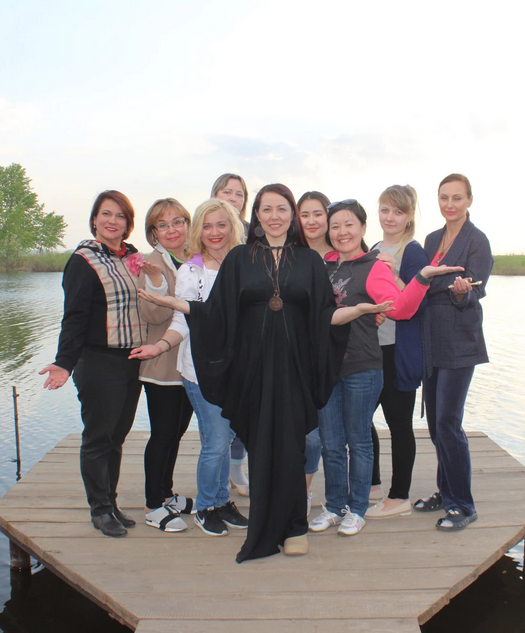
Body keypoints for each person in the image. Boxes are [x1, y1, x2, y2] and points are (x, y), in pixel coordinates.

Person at [139, 184, 389, 561]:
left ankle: (295, 527)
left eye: (282, 208)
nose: (274, 216)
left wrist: (356, 311)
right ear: (256, 215)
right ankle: (263, 526)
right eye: (266, 209)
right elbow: (217, 312)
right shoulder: (240, 259)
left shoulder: (309, 261)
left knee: (292, 447)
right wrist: (176, 303)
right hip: (253, 370)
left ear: (291, 215)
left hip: (295, 370)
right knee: (260, 448)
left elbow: (324, 316)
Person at [309, 199, 463, 537]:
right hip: (327, 367)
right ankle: (334, 506)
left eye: (349, 224)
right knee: (331, 443)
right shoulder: (323, 267)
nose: (342, 232)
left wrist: (421, 278)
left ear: (363, 228)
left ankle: (357, 509)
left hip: (363, 365)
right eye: (335, 226)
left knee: (359, 441)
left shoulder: (374, 266)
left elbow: (401, 309)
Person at [132, 198, 250, 536]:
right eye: (207, 226)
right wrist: (159, 346)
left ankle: (222, 501)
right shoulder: (191, 271)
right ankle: (207, 506)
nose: (214, 232)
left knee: (227, 438)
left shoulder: (245, 264)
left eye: (221, 224)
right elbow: (182, 321)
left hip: (236, 373)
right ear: (199, 230)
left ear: (232, 226)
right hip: (200, 372)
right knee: (216, 441)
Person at [39, 190, 146, 538]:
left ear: (128, 223)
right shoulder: (83, 260)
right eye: (106, 214)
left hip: (130, 361)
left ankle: (111, 503)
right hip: (98, 361)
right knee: (99, 437)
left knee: (117, 436)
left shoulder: (132, 257)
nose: (113, 221)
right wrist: (64, 363)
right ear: (95, 220)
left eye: (120, 216)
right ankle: (99, 510)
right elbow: (74, 317)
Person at [413, 173, 493, 531]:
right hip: (432, 338)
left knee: (448, 422)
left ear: (469, 201)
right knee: (435, 424)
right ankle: (446, 493)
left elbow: (475, 288)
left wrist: (460, 291)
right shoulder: (432, 239)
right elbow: (422, 281)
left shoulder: (478, 240)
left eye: (457, 198)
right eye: (444, 197)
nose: (450, 204)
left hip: (460, 340)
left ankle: (463, 504)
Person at [365, 185, 429, 519]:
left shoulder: (413, 252)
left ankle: (399, 496)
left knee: (399, 424)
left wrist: (394, 275)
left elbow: (419, 304)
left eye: (398, 212)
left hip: (397, 352)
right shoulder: (374, 248)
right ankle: (373, 483)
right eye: (385, 210)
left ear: (409, 216)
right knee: (360, 418)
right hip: (372, 349)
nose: (390, 217)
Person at [136, 198, 194, 532]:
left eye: (177, 222)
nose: (171, 230)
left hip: (190, 365)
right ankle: (152, 505)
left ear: (187, 224)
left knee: (177, 433)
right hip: (162, 366)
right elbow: (153, 315)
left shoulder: (194, 257)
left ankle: (166, 493)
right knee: (162, 434)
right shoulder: (151, 264)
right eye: (162, 224)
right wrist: (157, 282)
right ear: (153, 232)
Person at [210, 173, 251, 495]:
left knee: (245, 408)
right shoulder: (206, 231)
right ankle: (218, 475)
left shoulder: (252, 234)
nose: (233, 199)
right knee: (216, 415)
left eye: (239, 194)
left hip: (247, 335)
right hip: (213, 339)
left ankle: (237, 467)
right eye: (227, 192)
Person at [296, 190, 333, 514]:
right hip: (292, 354)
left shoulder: (343, 254)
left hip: (331, 355)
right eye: (304, 214)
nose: (311, 221)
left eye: (317, 214)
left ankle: (305, 491)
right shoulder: (288, 254)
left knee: (317, 433)